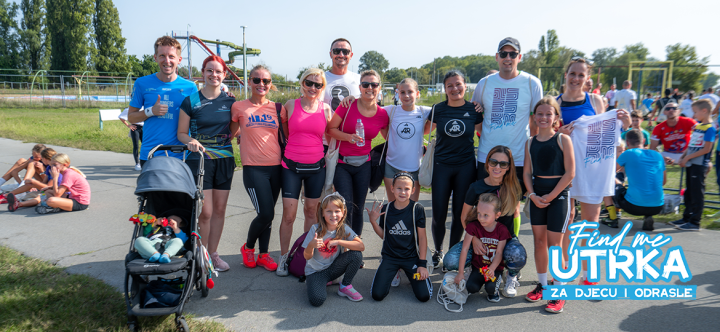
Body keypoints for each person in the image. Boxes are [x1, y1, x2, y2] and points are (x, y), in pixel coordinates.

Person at [472, 37, 542, 243]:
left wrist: (533, 150)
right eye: (504, 54)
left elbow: (537, 120)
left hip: (518, 158)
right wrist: (485, 131)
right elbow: (476, 118)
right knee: (484, 208)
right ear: (497, 57)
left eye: (513, 54)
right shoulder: (484, 84)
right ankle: (484, 254)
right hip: (487, 156)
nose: (508, 58)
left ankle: (512, 251)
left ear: (519, 57)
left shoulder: (531, 83)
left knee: (511, 209)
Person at [178, 55, 237, 272]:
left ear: (224, 75)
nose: (214, 75)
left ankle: (213, 254)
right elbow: (182, 133)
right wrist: (191, 141)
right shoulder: (191, 101)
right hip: (200, 160)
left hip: (225, 159)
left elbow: (233, 130)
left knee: (220, 209)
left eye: (218, 71)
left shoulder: (231, 101)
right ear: (202, 73)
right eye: (209, 70)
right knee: (206, 211)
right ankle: (201, 255)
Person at [276, 68, 333, 276]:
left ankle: (303, 256)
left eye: (318, 85)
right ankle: (283, 257)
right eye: (309, 83)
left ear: (322, 88)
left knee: (311, 212)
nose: (313, 88)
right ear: (302, 83)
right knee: (289, 216)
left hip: (316, 167)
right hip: (291, 166)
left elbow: (331, 134)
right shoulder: (291, 105)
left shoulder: (326, 109)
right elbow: (286, 131)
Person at [443, 145, 522, 296]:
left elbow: (516, 213)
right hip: (479, 238)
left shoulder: (513, 186)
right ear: (487, 163)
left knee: (518, 255)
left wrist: (514, 241)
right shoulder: (476, 187)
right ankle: (472, 268)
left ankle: (511, 274)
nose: (497, 167)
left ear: (508, 167)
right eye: (493, 162)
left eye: (503, 164)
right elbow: (464, 217)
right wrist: (474, 240)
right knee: (450, 261)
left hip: (502, 239)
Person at [341, 78, 432, 202]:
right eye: (402, 92)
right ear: (397, 93)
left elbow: (444, 111)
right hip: (392, 166)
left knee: (411, 208)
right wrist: (352, 98)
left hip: (414, 168)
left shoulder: (424, 111)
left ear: (417, 93)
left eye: (410, 92)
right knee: (393, 205)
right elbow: (369, 105)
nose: (406, 96)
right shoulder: (391, 110)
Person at [523, 97, 574, 314]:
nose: (544, 118)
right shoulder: (530, 142)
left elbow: (570, 173)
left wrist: (552, 195)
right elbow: (527, 172)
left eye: (548, 114)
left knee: (555, 245)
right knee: (539, 241)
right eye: (540, 114)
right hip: (538, 197)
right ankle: (544, 285)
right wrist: (533, 194)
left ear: (556, 117)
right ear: (534, 117)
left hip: (558, 197)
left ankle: (559, 291)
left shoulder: (563, 139)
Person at [231, 65, 284, 273]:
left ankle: (263, 255)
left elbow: (285, 134)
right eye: (256, 80)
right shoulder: (238, 107)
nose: (261, 84)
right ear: (249, 81)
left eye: (266, 81)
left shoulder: (278, 108)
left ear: (270, 84)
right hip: (254, 169)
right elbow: (231, 133)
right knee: (265, 213)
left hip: (277, 167)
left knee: (268, 214)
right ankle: (249, 247)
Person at [327, 69, 389, 242]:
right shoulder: (347, 105)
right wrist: (348, 137)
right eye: (366, 84)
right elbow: (330, 129)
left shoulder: (383, 114)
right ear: (360, 87)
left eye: (374, 84)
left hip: (364, 165)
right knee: (344, 206)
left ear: (379, 87)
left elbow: (390, 138)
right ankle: (343, 244)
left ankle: (355, 244)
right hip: (343, 164)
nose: (370, 88)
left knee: (358, 207)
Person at [429, 70, 483, 269]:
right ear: (445, 89)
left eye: (458, 84)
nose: (454, 89)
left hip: (465, 167)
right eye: (450, 86)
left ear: (465, 86)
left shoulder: (474, 110)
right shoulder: (437, 109)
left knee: (461, 214)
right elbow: (423, 129)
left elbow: (483, 133)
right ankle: (438, 250)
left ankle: (453, 252)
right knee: (438, 214)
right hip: (441, 166)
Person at [128, 36, 198, 166]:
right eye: (162, 56)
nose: (167, 61)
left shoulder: (190, 87)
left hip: (181, 155)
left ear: (179, 60)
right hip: (151, 155)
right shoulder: (142, 83)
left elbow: (199, 120)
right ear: (155, 57)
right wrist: (150, 111)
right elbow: (131, 118)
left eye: (171, 56)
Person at [367, 173, 431, 302]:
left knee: (424, 296)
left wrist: (422, 264)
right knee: (377, 295)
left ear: (413, 190)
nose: (402, 192)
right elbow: (384, 236)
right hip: (390, 257)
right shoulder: (386, 209)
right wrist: (373, 221)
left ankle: (408, 272)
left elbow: (422, 238)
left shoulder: (417, 209)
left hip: (411, 258)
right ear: (392, 189)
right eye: (399, 188)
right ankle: (394, 272)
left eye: (407, 189)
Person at [304, 192, 365, 306]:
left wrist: (339, 241)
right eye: (329, 211)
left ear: (343, 213)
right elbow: (306, 256)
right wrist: (311, 245)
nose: (333, 215)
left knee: (356, 255)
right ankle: (320, 282)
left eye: (337, 211)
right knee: (317, 300)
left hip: (333, 269)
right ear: (322, 213)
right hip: (316, 272)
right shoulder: (315, 229)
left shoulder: (344, 228)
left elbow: (361, 246)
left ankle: (345, 286)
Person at [455, 194, 510, 303]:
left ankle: (499, 280)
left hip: (494, 269)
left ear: (497, 215)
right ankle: (471, 274)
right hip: (478, 267)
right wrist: (460, 272)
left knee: (491, 289)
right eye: (479, 213)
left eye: (486, 215)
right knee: (471, 287)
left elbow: (499, 253)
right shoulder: (473, 227)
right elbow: (465, 249)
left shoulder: (502, 230)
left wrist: (492, 269)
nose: (480, 218)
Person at [606, 129, 667, 230]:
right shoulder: (658, 155)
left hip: (634, 207)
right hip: (658, 206)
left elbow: (609, 173)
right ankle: (648, 216)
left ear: (627, 143)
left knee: (609, 180)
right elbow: (663, 182)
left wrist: (619, 183)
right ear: (643, 141)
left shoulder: (629, 153)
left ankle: (612, 217)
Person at [670, 100, 715, 231]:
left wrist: (688, 157)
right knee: (689, 191)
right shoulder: (698, 126)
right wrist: (683, 156)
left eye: (695, 112)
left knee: (696, 193)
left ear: (704, 111)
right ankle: (686, 217)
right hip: (691, 163)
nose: (694, 115)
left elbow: (706, 149)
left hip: (699, 164)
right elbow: (691, 145)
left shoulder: (710, 129)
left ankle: (695, 222)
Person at [324, 38, 361, 112]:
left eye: (345, 52)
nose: (341, 55)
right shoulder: (320, 79)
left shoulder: (360, 80)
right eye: (336, 51)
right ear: (330, 54)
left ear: (351, 55)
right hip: (326, 123)